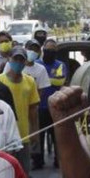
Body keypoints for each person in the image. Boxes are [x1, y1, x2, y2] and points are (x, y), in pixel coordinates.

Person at [0, 46, 40, 178]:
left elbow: (33, 109)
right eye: (16, 59)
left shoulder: (30, 81)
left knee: (24, 173)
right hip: (5, 134)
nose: (19, 62)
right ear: (9, 59)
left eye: (22, 60)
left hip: (24, 134)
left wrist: (35, 131)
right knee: (6, 174)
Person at [34, 39, 67, 168]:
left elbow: (60, 81)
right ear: (43, 50)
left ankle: (58, 160)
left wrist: (42, 79)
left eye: (52, 50)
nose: (50, 52)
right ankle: (38, 161)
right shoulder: (36, 64)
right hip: (39, 106)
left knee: (57, 136)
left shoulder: (60, 65)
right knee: (38, 136)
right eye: (47, 50)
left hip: (56, 106)